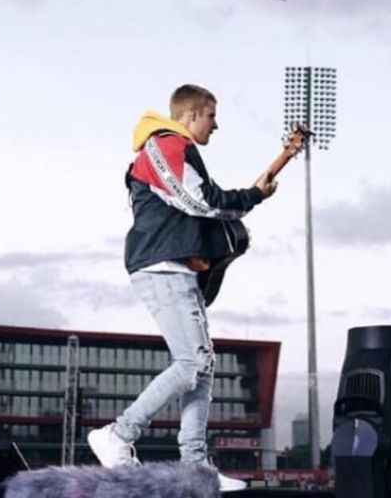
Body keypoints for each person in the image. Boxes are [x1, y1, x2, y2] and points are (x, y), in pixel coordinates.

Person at [87, 84, 278, 492]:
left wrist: (250, 198)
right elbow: (199, 200)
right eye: (211, 115)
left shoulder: (175, 149)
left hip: (176, 268)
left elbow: (201, 207)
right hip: (162, 268)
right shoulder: (166, 143)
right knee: (192, 363)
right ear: (190, 114)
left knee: (201, 365)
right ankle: (118, 434)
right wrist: (253, 196)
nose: (216, 125)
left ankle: (196, 468)